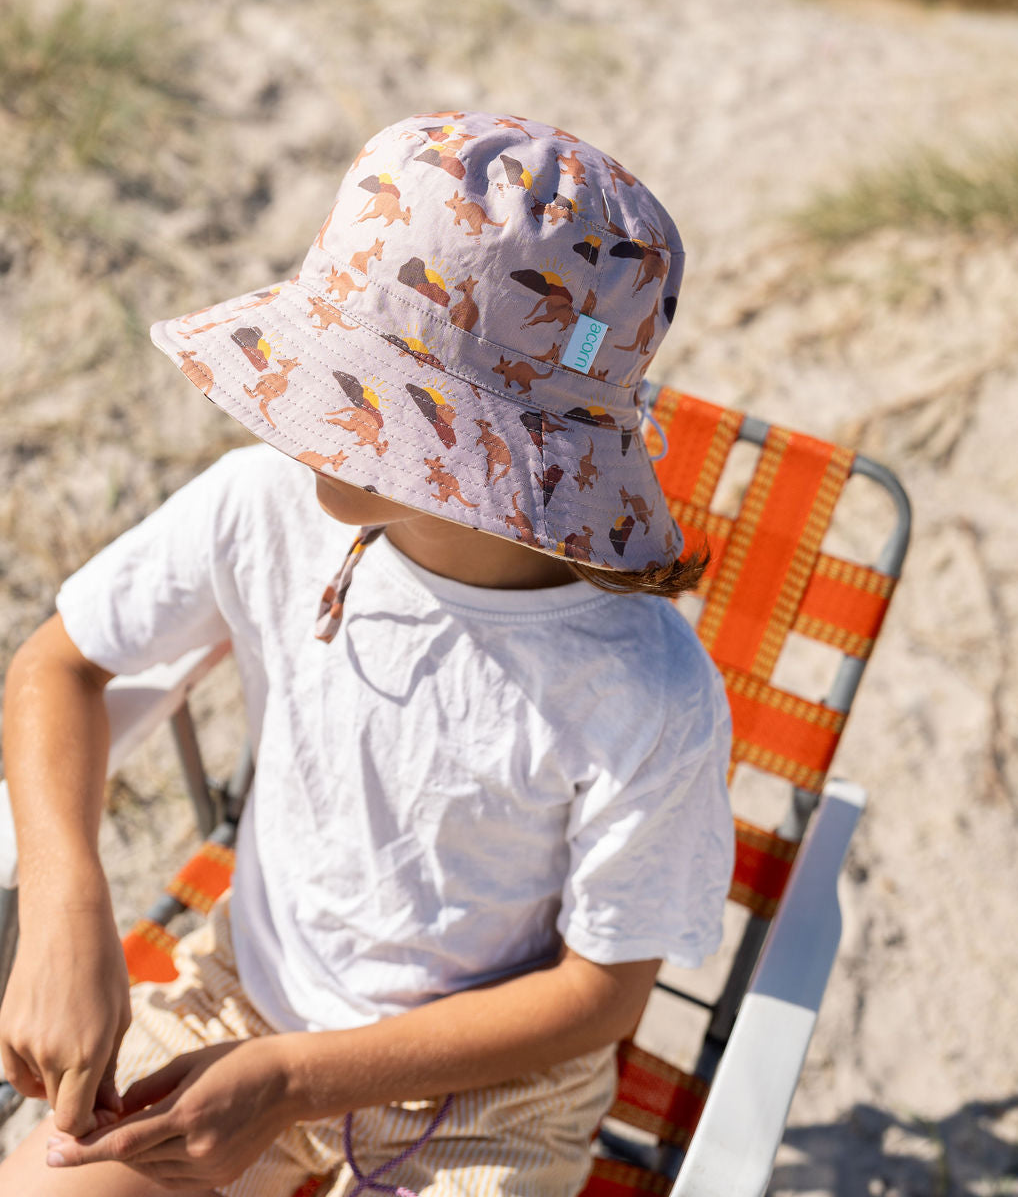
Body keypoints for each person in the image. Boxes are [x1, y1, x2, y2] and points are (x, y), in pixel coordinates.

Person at [0, 112, 734, 1197]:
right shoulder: (264, 505)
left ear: (495, 452)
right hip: (242, 997)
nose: (303, 415)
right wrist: (67, 903)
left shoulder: (645, 690)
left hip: (485, 1098)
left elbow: (599, 996)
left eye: (359, 396)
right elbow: (56, 667)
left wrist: (295, 1080)